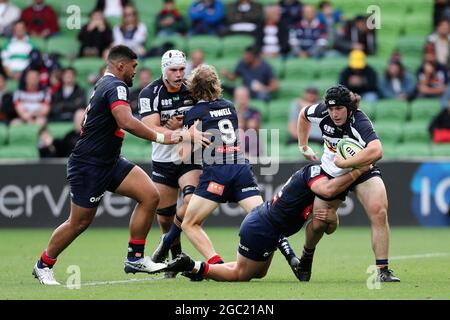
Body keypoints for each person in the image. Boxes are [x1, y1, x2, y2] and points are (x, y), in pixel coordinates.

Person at [32, 45, 186, 285]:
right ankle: (43, 264)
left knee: (150, 196)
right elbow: (125, 121)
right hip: (88, 164)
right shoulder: (115, 86)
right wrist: (163, 136)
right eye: (133, 67)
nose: (136, 71)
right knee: (79, 222)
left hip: (109, 160)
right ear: (121, 65)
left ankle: (134, 257)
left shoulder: (106, 84)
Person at [165, 163, 370, 281]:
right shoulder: (314, 177)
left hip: (264, 224)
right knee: (240, 275)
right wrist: (358, 171)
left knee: (259, 273)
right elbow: (281, 232)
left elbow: (327, 227)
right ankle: (192, 266)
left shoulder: (317, 185)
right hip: (260, 228)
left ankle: (198, 267)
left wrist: (333, 220)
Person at [295, 84, 400, 282]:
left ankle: (382, 270)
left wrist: (347, 162)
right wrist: (303, 145)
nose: (334, 114)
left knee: (379, 211)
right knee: (319, 223)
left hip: (361, 170)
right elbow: (302, 115)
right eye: (331, 109)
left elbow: (377, 151)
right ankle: (307, 256)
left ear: (349, 108)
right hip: (332, 172)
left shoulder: (359, 121)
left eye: (339, 109)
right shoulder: (321, 112)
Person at [177, 64, 264, 269]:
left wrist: (186, 135)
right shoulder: (230, 106)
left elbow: (183, 155)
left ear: (194, 87)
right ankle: (287, 252)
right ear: (216, 85)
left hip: (217, 172)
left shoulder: (194, 113)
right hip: (240, 166)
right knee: (262, 218)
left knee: (189, 223)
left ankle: (216, 263)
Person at [138, 50, 202, 277]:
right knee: (165, 216)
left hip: (189, 158)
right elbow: (150, 128)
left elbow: (204, 118)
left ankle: (163, 250)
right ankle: (176, 256)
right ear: (164, 70)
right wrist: (175, 130)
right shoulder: (150, 92)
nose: (178, 74)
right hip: (163, 159)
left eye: (181, 69)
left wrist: (190, 129)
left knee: (190, 201)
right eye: (173, 70)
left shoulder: (192, 90)